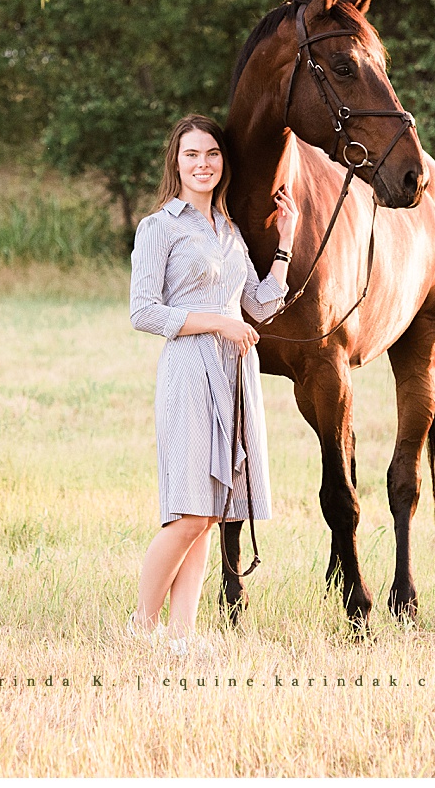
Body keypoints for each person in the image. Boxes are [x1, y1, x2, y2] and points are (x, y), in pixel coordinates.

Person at [127, 113, 299, 654]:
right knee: (189, 513)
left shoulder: (228, 231)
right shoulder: (159, 228)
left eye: (212, 154)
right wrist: (219, 323)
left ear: (223, 163)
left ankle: (182, 636)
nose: (203, 164)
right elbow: (143, 311)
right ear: (176, 163)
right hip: (188, 370)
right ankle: (140, 627)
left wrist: (285, 243)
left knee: (210, 513)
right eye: (192, 155)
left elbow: (259, 306)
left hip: (233, 374)